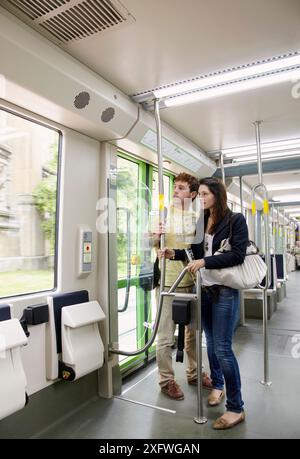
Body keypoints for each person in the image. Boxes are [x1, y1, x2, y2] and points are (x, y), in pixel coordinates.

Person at [160, 177, 247, 429]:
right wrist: (173, 253)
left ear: (217, 196)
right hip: (205, 290)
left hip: (225, 291)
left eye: (206, 194)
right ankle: (218, 385)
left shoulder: (235, 221)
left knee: (223, 348)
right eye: (201, 194)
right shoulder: (202, 221)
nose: (202, 198)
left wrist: (206, 263)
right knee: (211, 344)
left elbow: (237, 255)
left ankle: (236, 406)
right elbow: (196, 253)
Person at [153, 172, 212, 400]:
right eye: (174, 187)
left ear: (193, 194)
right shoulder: (162, 214)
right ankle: (167, 380)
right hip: (168, 282)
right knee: (165, 336)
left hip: (190, 282)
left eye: (181, 188)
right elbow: (150, 241)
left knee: (193, 335)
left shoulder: (197, 219)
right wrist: (154, 236)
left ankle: (194, 373)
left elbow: (197, 252)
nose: (175, 191)